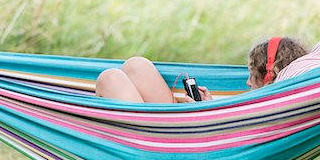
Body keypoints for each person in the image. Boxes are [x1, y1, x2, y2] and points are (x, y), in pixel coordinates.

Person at [94, 37, 308, 103]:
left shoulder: (268, 107)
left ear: (268, 77)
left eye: (252, 76)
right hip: (179, 132)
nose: (247, 83)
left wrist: (199, 114)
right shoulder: (270, 104)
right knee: (136, 65)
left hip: (168, 147)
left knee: (110, 78)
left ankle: (137, 129)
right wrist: (208, 107)